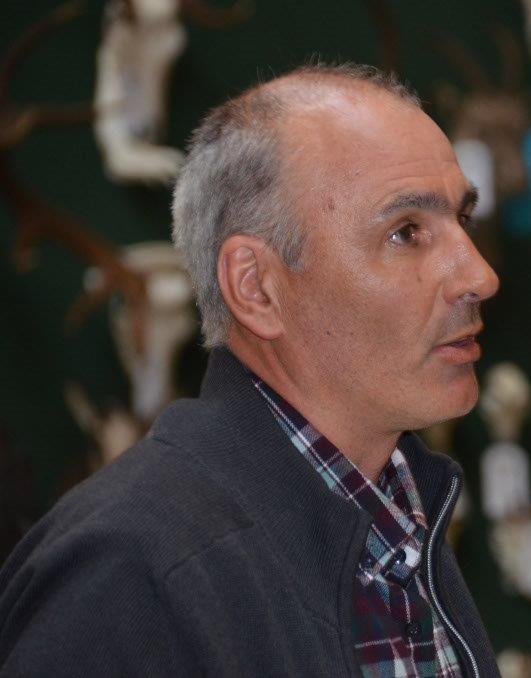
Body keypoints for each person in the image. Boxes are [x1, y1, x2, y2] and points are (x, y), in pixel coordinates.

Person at [0, 63, 501, 677]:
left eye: (462, 220)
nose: (480, 275)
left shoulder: (403, 513)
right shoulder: (129, 574)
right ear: (257, 288)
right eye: (406, 232)